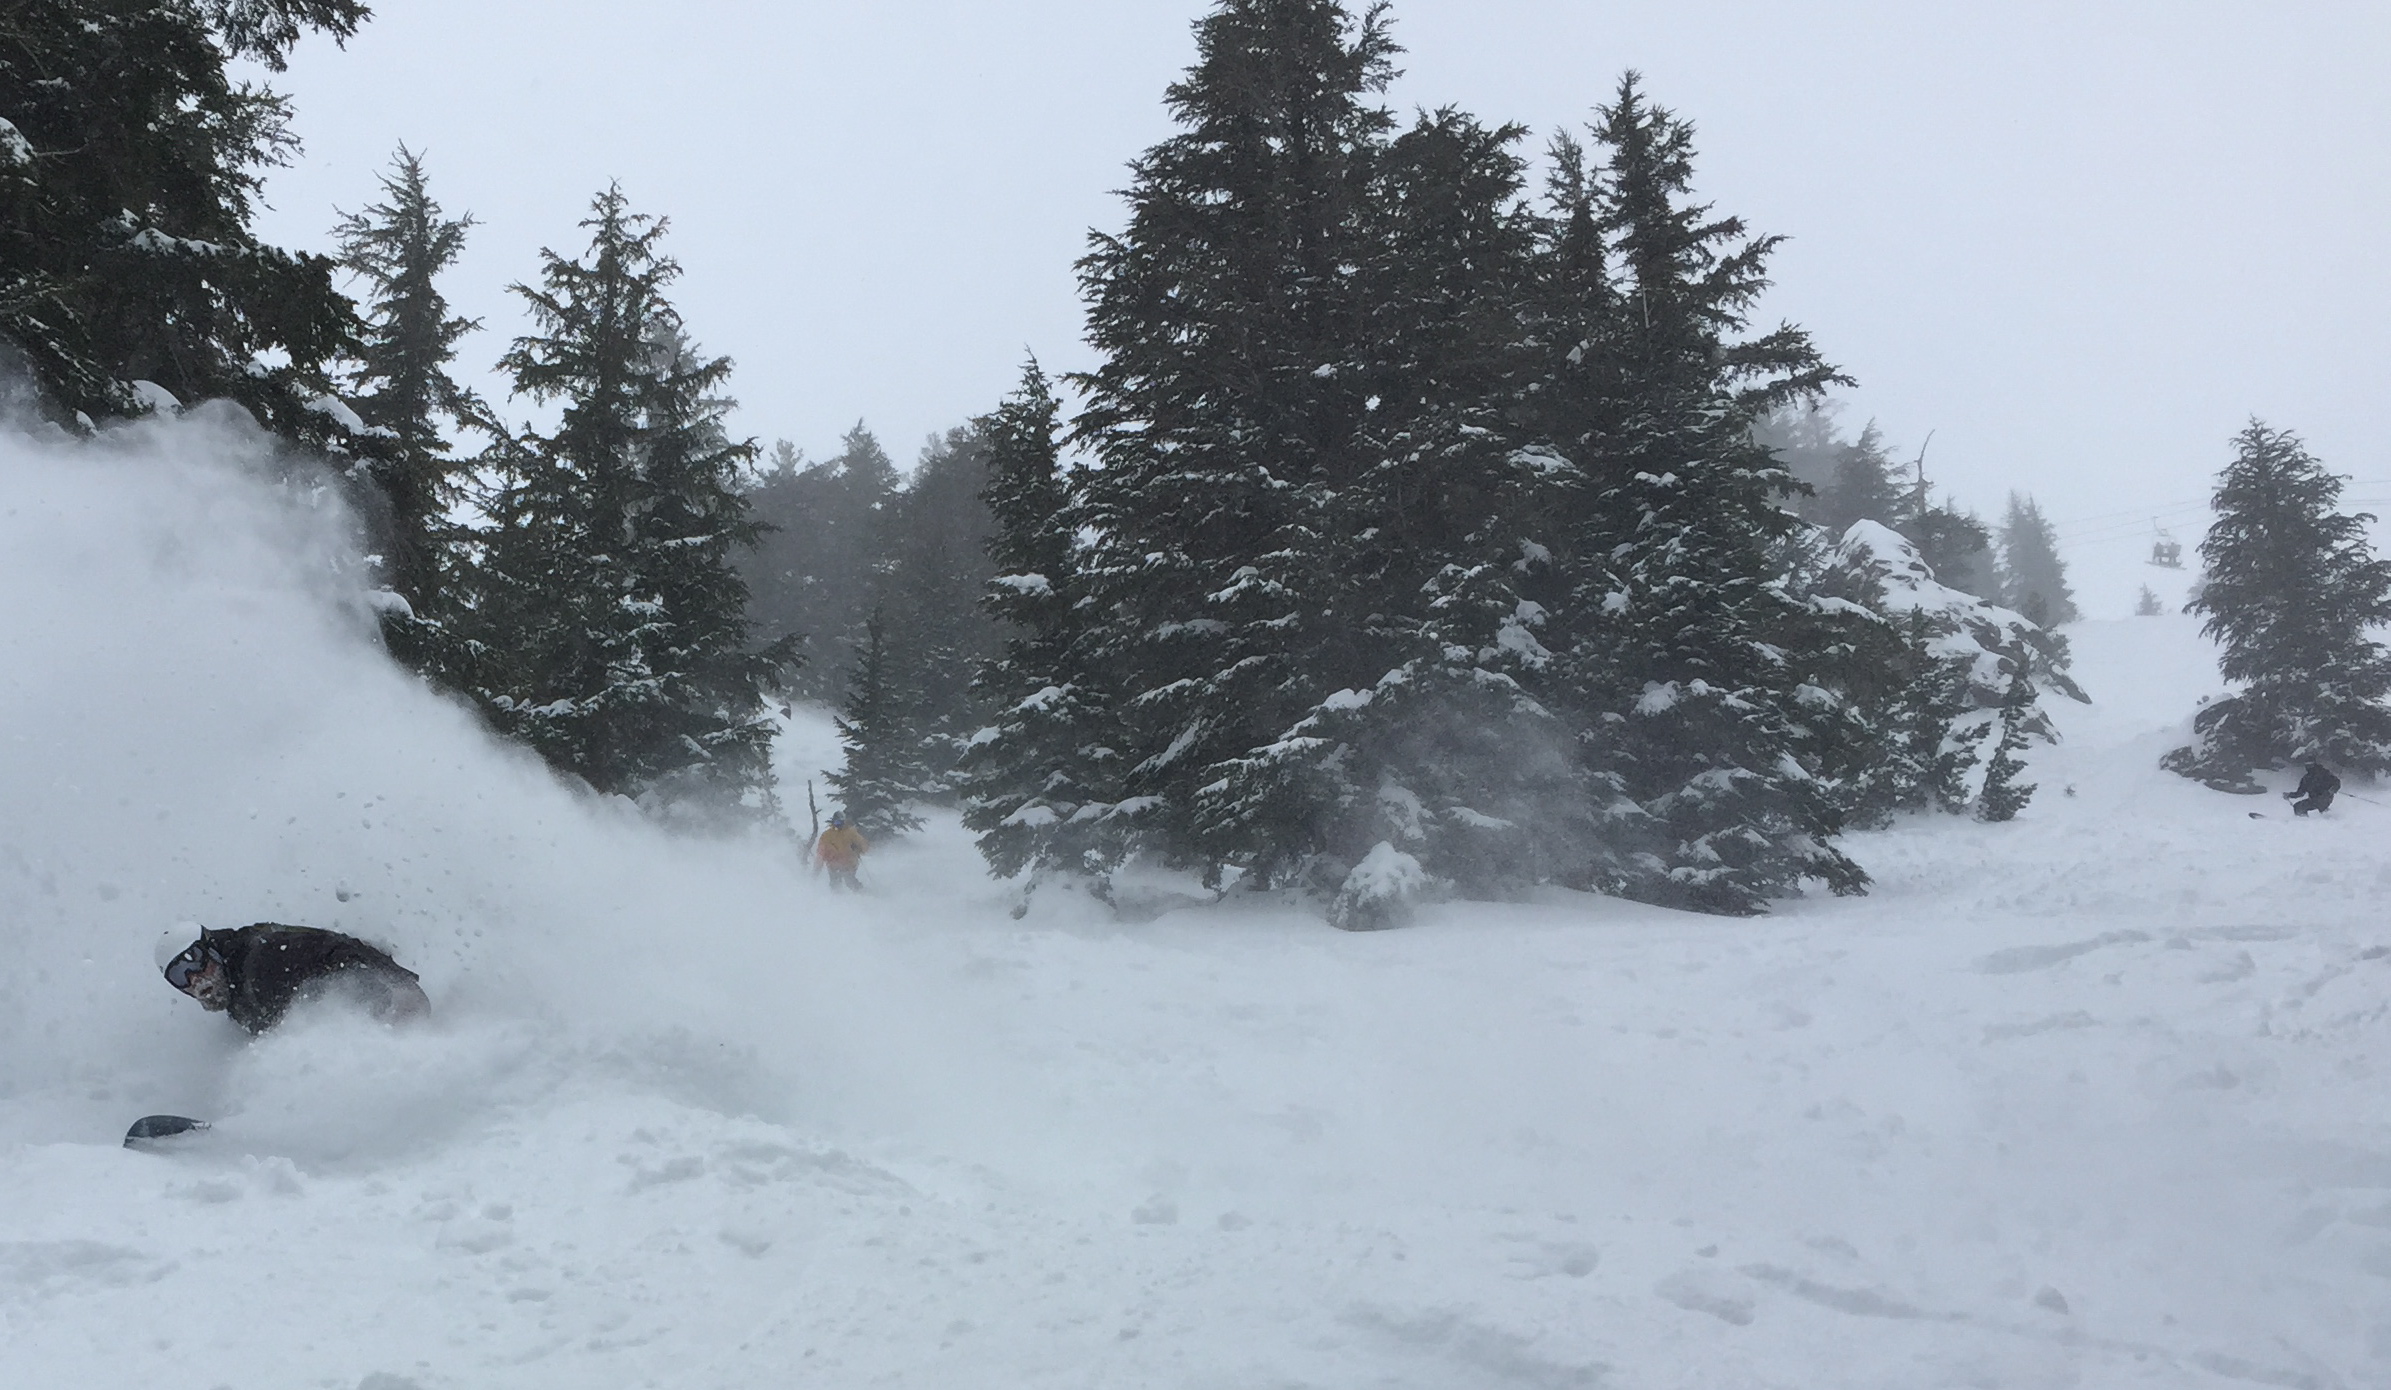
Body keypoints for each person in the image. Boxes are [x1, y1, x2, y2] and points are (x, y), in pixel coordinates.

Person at [155, 922, 429, 1034]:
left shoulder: (262, 955)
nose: (194, 981)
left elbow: (337, 947)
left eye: (194, 962)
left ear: (211, 948)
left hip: (389, 1012)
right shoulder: (238, 998)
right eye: (179, 978)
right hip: (358, 1042)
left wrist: (402, 984)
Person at [813, 810, 870, 891]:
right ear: (833, 822)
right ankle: (837, 900)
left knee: (850, 881)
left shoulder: (850, 832)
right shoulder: (827, 835)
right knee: (835, 883)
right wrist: (816, 870)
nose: (838, 825)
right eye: (836, 823)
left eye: (840, 823)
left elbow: (863, 844)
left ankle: (862, 894)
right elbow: (821, 853)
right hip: (833, 863)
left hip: (849, 863)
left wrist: (858, 848)